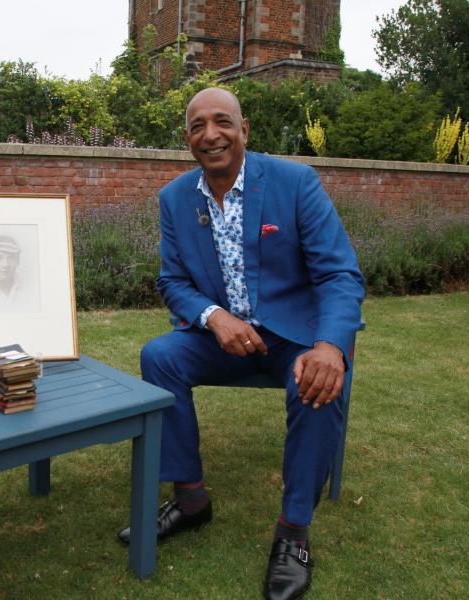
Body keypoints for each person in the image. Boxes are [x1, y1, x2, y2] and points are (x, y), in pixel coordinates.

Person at [116, 87, 364, 599]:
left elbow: (339, 274)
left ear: (244, 129)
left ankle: (294, 532)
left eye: (222, 121)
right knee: (159, 356)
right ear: (186, 139)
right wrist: (214, 318)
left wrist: (330, 345)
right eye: (197, 126)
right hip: (225, 341)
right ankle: (190, 500)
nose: (211, 134)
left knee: (317, 382)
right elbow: (172, 282)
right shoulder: (174, 199)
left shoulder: (295, 183)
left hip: (297, 338)